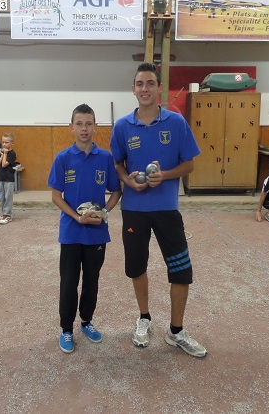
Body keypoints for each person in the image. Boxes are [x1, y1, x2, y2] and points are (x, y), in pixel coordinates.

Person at [110, 63, 207, 358]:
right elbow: (117, 163)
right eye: (140, 84)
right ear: (133, 89)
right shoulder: (122, 126)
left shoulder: (176, 123)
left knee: (181, 270)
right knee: (137, 267)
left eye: (150, 83)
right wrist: (128, 180)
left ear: (159, 88)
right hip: (134, 210)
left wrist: (163, 176)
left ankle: (176, 331)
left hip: (167, 210)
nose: (145, 89)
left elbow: (189, 164)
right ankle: (144, 318)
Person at [48, 103, 121, 354]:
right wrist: (77, 218)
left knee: (92, 280)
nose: (84, 129)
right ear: (71, 127)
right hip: (71, 231)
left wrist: (104, 213)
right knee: (69, 282)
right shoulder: (63, 158)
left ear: (95, 127)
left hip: (97, 233)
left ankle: (86, 321)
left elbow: (116, 191)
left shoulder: (105, 158)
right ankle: (66, 329)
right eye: (79, 124)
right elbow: (56, 196)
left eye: (89, 124)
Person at [0, 133, 17, 225]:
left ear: (12, 143)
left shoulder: (12, 154)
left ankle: (7, 215)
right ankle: (4, 213)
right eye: (3, 142)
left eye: (6, 142)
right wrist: (2, 155)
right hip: (0, 178)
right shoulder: (2, 153)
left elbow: (4, 164)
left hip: (8, 179)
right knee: (0, 197)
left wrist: (5, 154)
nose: (4, 144)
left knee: (8, 197)